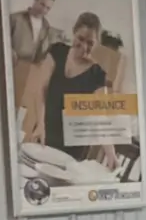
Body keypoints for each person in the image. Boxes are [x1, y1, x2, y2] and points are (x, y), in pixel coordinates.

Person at [40, 12, 118, 170]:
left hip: (72, 147)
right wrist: (39, 124)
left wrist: (111, 154)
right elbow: (40, 90)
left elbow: (99, 116)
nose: (84, 46)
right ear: (74, 32)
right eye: (80, 39)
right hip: (44, 134)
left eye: (90, 43)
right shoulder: (57, 51)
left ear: (97, 44)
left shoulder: (97, 73)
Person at [9, 0, 57, 66]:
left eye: (48, 8)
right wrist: (10, 52)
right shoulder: (15, 18)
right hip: (12, 66)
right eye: (42, 5)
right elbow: (0, 42)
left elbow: (40, 53)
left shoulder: (46, 26)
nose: (44, 10)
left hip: (30, 70)